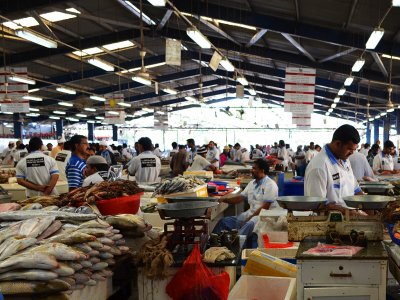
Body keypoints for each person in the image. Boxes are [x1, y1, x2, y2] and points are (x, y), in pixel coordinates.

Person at [304, 124, 365, 214]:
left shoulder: (344, 159)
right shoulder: (319, 167)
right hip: (329, 224)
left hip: (350, 219)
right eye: (349, 149)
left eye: (354, 149)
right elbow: (317, 205)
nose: (352, 153)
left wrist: (369, 207)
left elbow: (356, 189)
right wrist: (348, 212)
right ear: (337, 144)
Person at [213, 159, 279, 237]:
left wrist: (249, 218)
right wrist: (224, 199)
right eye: (252, 168)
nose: (252, 170)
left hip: (263, 217)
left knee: (245, 228)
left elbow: (265, 208)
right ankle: (212, 246)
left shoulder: (270, 185)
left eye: (254, 168)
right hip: (250, 214)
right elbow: (240, 198)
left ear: (262, 170)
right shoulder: (252, 183)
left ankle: (236, 246)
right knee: (224, 222)